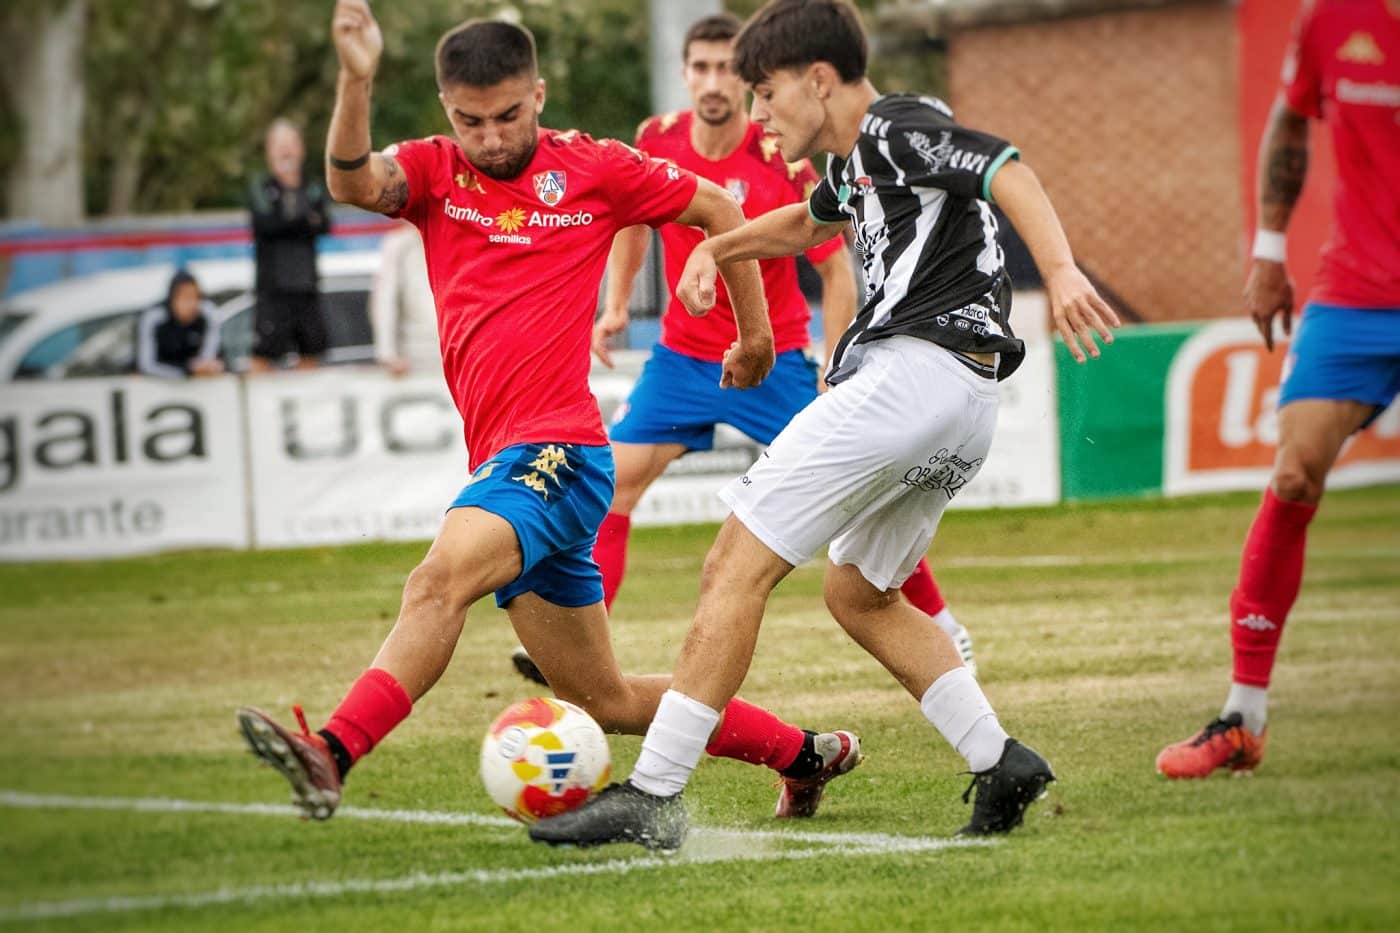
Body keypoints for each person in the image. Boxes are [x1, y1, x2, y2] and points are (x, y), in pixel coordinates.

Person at [236, 2, 862, 831]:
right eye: (470, 121)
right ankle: (804, 753)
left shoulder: (594, 167)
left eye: (507, 116)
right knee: (602, 699)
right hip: (512, 462)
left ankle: (335, 751)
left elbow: (716, 205)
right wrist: (356, 78)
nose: (490, 139)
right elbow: (350, 182)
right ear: (446, 112)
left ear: (538, 93)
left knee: (435, 581)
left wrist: (754, 338)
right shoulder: (429, 173)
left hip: (559, 453)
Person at [530, 0, 1119, 851]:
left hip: (912, 375)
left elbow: (1007, 168)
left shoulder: (893, 128)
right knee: (859, 593)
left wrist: (1060, 273)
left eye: (766, 93)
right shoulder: (856, 163)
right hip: (963, 400)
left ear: (818, 81)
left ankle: (653, 793)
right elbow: (810, 222)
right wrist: (715, 247)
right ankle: (1001, 759)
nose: (760, 115)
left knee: (735, 563)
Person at [510, 12, 977, 692]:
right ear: (684, 73)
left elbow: (835, 267)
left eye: (728, 68)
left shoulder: (780, 156)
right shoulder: (657, 139)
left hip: (775, 359)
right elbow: (633, 220)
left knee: (864, 500)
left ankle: (943, 621)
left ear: (751, 79)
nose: (712, 82)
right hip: (679, 359)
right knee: (610, 486)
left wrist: (831, 359)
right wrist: (615, 306)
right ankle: (586, 653)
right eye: (699, 67)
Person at [1156, 0, 1399, 779]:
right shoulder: (1332, 18)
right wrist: (1267, 251)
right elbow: (1289, 126)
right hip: (1356, 293)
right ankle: (1242, 718)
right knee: (1293, 474)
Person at [248, 118, 333, 372]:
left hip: (307, 287)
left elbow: (324, 225)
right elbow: (266, 225)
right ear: (268, 152)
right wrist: (303, 220)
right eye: (279, 145)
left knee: (311, 350)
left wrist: (290, 221)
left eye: (291, 144)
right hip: (273, 290)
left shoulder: (314, 188)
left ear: (302, 148)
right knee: (263, 354)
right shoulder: (261, 187)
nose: (286, 151)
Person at [370, 221, 440, 376]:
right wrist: (388, 354)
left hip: (461, 355)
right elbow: (385, 300)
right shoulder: (398, 244)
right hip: (416, 358)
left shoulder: (461, 239)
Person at [136, 270, 225, 379]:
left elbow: (208, 359)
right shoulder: (154, 318)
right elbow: (146, 365)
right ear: (173, 299)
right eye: (186, 297)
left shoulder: (208, 313)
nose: (192, 304)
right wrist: (186, 371)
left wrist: (206, 367)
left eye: (196, 297)